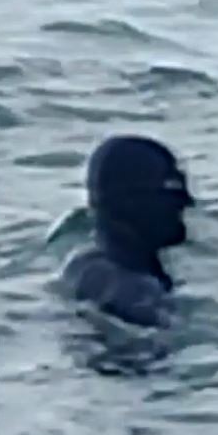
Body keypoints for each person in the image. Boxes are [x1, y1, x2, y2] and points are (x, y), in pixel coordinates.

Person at [58, 134, 195, 327]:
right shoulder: (133, 291)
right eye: (171, 193)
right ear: (133, 203)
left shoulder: (82, 265)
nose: (186, 204)